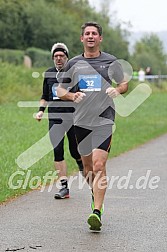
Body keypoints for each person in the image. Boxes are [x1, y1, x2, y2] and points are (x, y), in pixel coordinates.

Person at [57, 22, 128, 231]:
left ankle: (97, 211)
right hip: (81, 120)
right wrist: (72, 95)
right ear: (81, 39)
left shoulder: (110, 61)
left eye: (94, 33)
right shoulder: (74, 64)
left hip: (104, 119)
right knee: (87, 168)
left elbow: (124, 83)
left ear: (100, 38)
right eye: (87, 33)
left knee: (98, 165)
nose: (90, 36)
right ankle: (95, 193)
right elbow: (60, 91)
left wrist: (118, 90)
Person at [35, 42, 83, 199]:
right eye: (56, 56)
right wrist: (40, 111)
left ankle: (88, 177)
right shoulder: (48, 74)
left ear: (67, 58)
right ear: (52, 58)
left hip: (73, 118)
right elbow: (44, 96)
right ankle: (64, 188)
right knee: (57, 151)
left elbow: (82, 94)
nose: (59, 58)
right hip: (55, 118)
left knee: (76, 151)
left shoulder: (74, 73)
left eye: (62, 56)